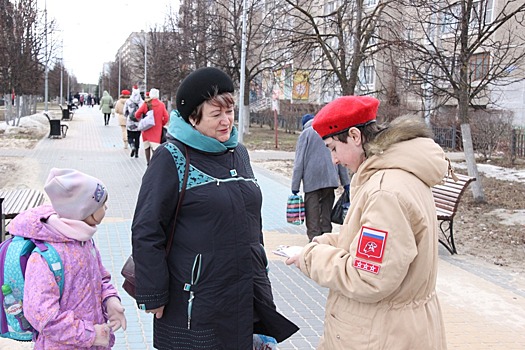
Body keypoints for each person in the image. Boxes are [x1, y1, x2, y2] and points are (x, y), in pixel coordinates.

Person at [131, 67, 298, 349]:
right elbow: (147, 228)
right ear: (193, 118)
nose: (226, 121)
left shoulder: (238, 153)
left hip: (247, 289)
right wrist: (153, 292)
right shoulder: (171, 157)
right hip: (196, 297)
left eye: (230, 111)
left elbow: (250, 220)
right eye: (216, 114)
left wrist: (260, 272)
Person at [286, 96, 449, 349]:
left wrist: (311, 259)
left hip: (381, 334)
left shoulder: (385, 191)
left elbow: (368, 276)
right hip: (395, 327)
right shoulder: (395, 175)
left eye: (332, 148)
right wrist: (324, 243)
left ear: (354, 136)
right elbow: (371, 245)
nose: (334, 160)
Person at [7, 168, 127, 349]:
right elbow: (42, 315)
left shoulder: (84, 241)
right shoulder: (45, 256)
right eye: (102, 204)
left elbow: (101, 278)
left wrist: (110, 300)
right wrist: (90, 334)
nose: (106, 208)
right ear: (84, 210)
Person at [291, 113, 350, 241]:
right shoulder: (328, 131)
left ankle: (314, 240)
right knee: (326, 212)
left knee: (312, 212)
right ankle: (326, 239)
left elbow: (299, 162)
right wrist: (346, 182)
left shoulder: (305, 134)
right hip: (330, 178)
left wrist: (295, 186)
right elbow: (339, 155)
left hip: (311, 179)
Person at [134, 88, 169, 165]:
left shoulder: (146, 104)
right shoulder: (161, 105)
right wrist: (161, 124)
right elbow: (166, 117)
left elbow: (137, 114)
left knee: (147, 147)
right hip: (157, 130)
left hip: (146, 130)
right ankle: (154, 164)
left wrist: (142, 121)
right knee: (155, 148)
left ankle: (148, 163)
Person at [123, 86, 143, 158]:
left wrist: (126, 117)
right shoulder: (141, 102)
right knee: (137, 138)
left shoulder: (128, 101)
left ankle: (132, 145)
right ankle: (137, 153)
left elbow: (124, 112)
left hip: (130, 122)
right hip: (138, 123)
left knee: (130, 136)